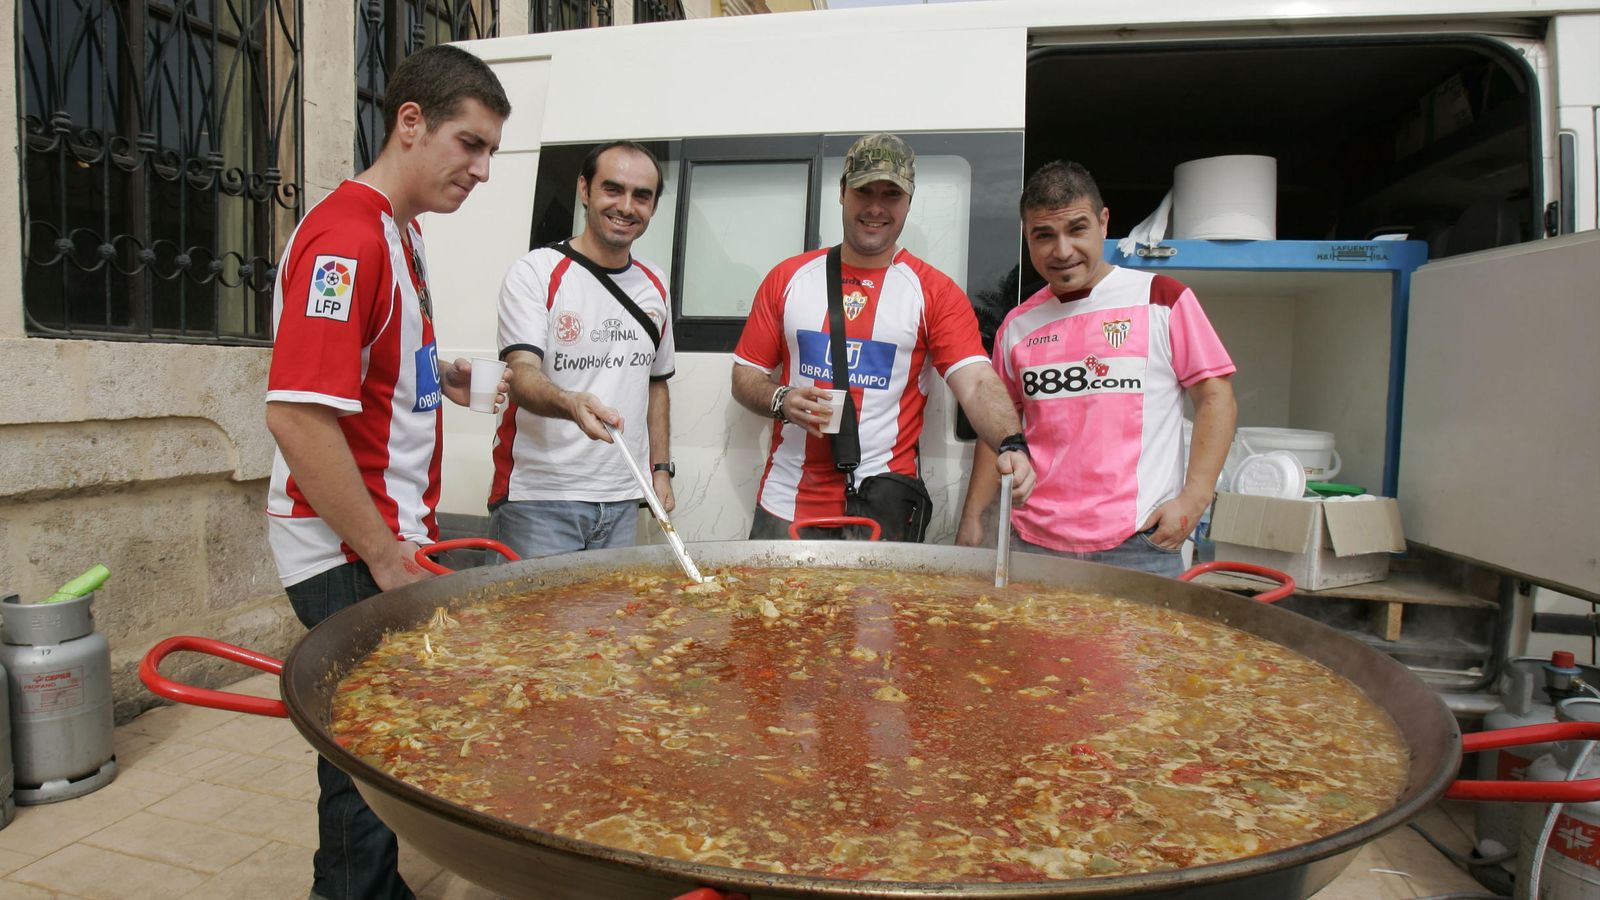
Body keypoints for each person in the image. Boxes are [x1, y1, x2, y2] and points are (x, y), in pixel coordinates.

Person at [263, 45, 510, 900]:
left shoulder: (400, 232)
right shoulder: (346, 238)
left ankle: (370, 887)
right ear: (410, 123)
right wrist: (380, 551)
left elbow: (369, 368)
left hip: (381, 535)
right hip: (343, 546)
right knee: (368, 753)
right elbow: (296, 413)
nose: (480, 171)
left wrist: (442, 378)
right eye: (470, 145)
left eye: (489, 153)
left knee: (385, 742)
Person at [731, 132, 1035, 539]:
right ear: (842, 193)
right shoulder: (789, 278)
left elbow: (977, 382)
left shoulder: (934, 292)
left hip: (883, 512)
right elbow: (745, 376)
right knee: (772, 607)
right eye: (863, 191)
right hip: (786, 506)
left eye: (891, 194)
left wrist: (1012, 443)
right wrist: (782, 400)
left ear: (909, 201)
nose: (875, 208)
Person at [956, 161, 1237, 577]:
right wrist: (974, 517)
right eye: (1044, 235)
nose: (1062, 250)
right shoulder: (1016, 326)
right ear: (1026, 237)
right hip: (1033, 544)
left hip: (1139, 542)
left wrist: (1194, 500)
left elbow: (1216, 398)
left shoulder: (1160, 298)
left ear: (1104, 223)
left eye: (1077, 229)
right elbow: (999, 429)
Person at [487, 141, 675, 558]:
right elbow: (520, 373)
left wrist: (660, 471)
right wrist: (570, 403)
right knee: (529, 625)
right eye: (613, 189)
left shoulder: (655, 284)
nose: (626, 206)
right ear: (584, 190)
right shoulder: (536, 272)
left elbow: (657, 384)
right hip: (539, 499)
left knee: (609, 626)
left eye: (642, 196)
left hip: (624, 497)